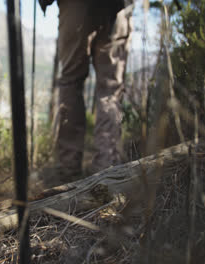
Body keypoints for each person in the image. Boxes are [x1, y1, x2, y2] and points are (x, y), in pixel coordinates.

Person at [39, 0, 134, 184]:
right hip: (117, 8)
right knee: (110, 90)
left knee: (70, 82)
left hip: (75, 6)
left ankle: (68, 168)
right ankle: (107, 168)